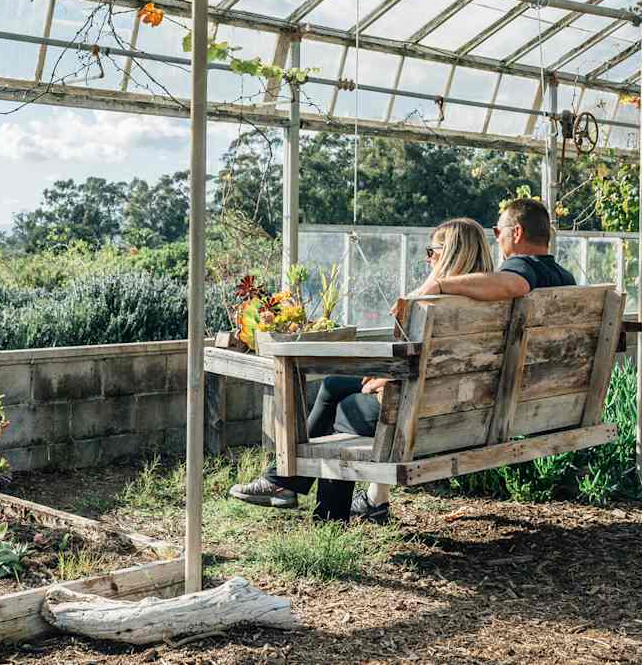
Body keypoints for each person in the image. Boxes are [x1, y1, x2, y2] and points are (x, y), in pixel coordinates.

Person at [229, 217, 494, 524]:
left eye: (432, 251)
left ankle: (325, 516)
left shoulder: (433, 303)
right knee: (333, 385)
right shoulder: (492, 300)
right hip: (460, 406)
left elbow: (422, 364)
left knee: (348, 409)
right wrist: (383, 376)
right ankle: (286, 480)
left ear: (450, 253)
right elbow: (444, 362)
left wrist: (383, 380)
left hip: (420, 410)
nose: (427, 258)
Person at [417, 197, 574, 299]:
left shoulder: (521, 265)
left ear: (517, 232)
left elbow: (514, 285)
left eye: (497, 232)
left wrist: (440, 284)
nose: (497, 239)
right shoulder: (566, 277)